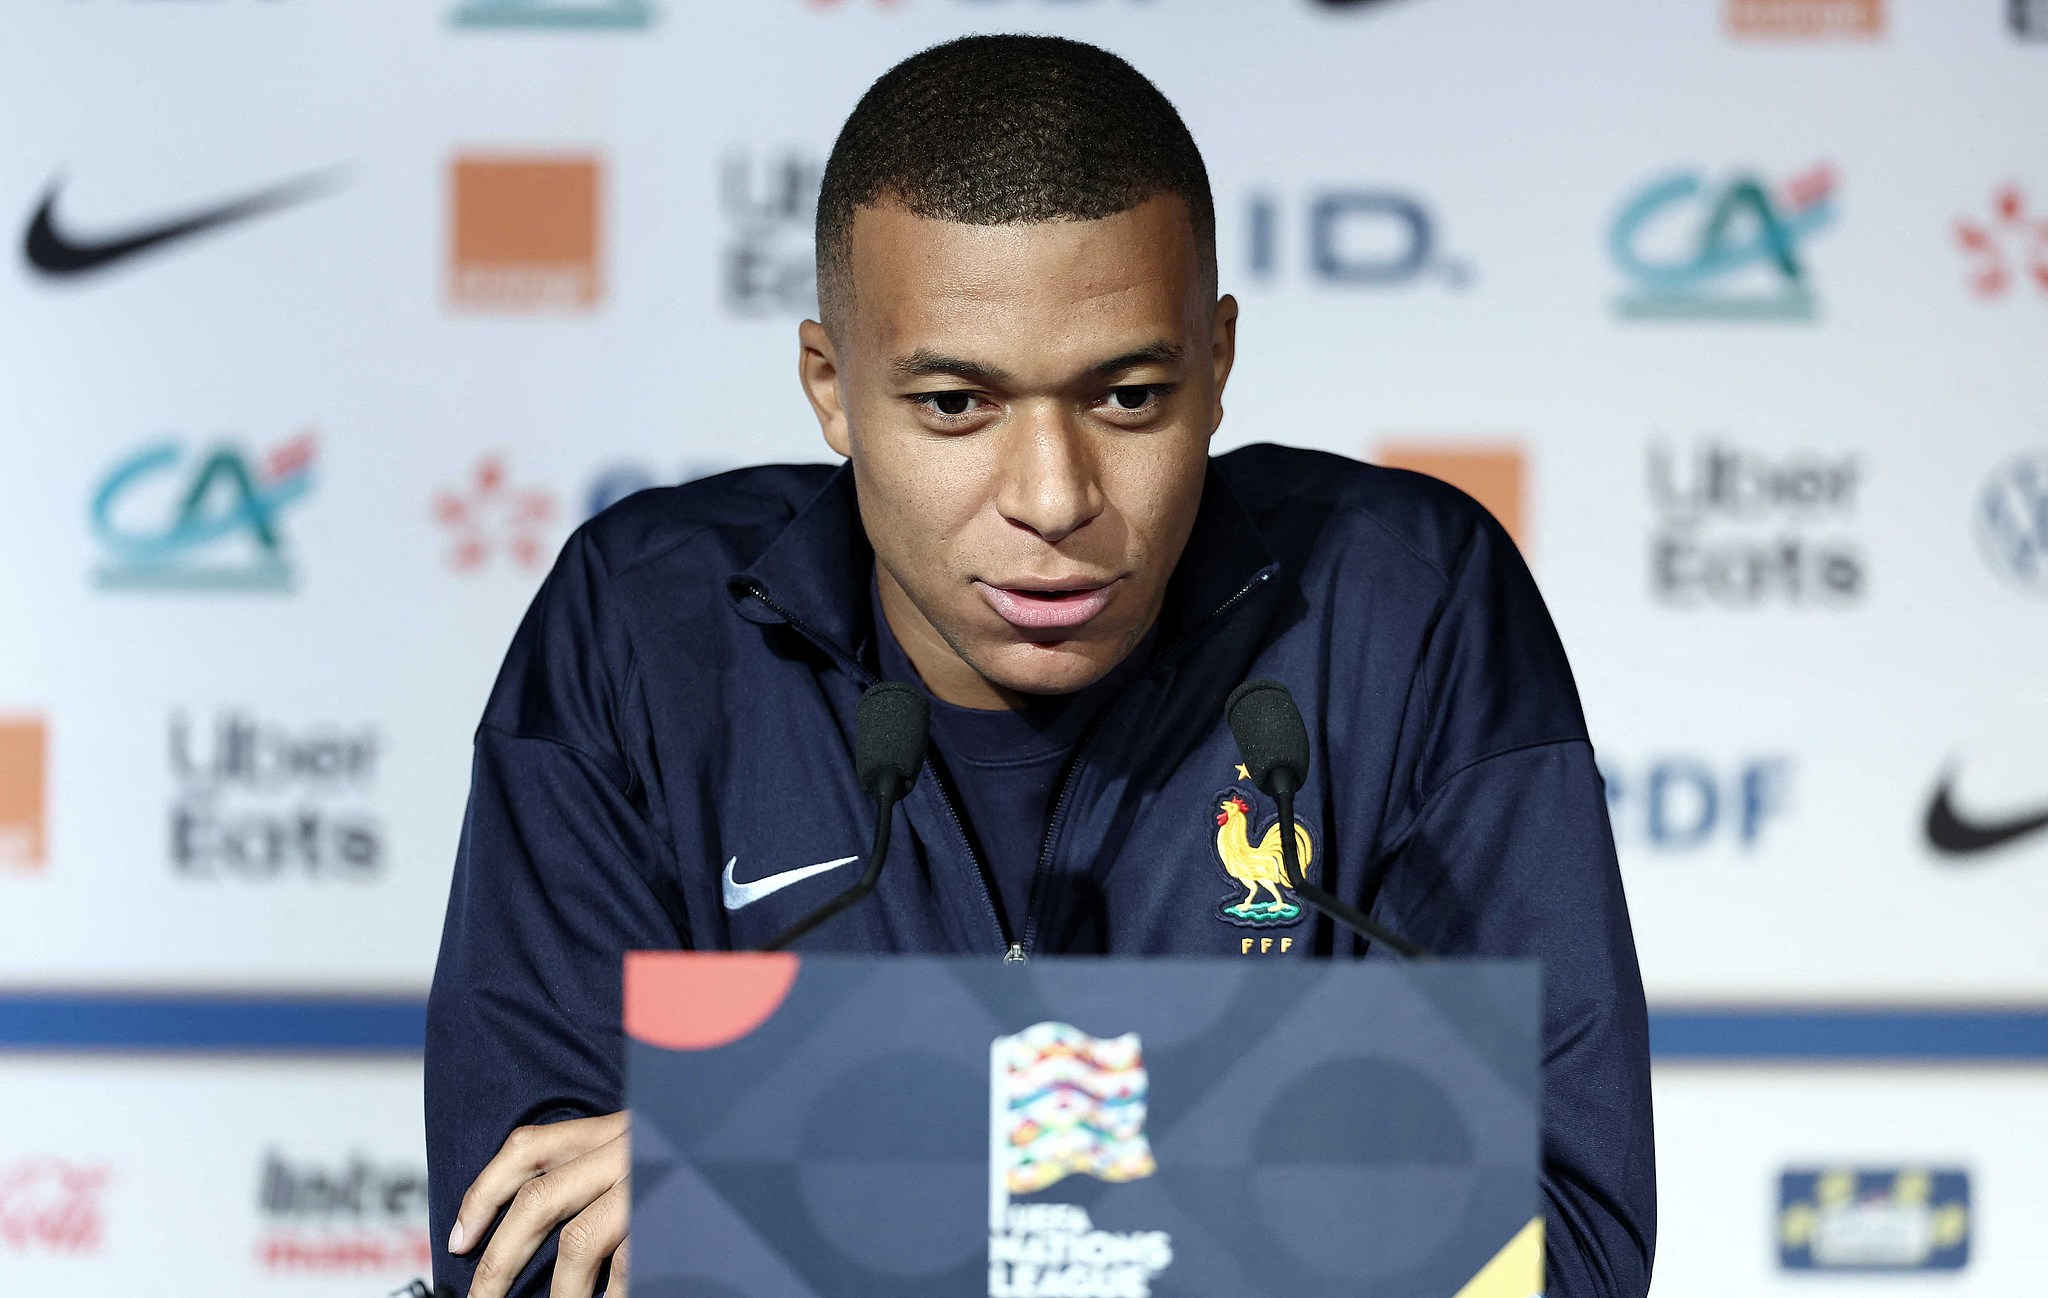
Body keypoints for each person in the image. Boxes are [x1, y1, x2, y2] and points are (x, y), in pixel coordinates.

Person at [425, 33, 1655, 1298]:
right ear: (830, 387)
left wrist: (828, 1146)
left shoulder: (1405, 609)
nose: (1054, 498)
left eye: (1125, 396)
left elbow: (1557, 1237)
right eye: (956, 405)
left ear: (1216, 365)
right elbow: (531, 1248)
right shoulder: (641, 629)